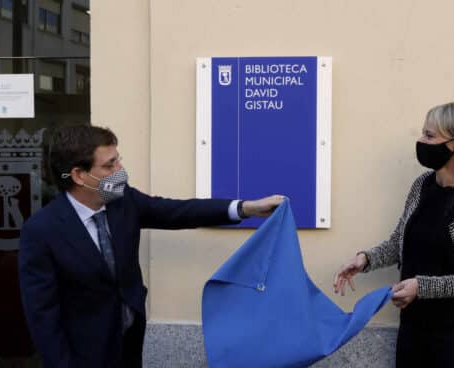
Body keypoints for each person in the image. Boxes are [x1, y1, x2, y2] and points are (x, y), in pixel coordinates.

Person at [18, 125, 283, 368]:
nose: (120, 170)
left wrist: (246, 207)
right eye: (110, 165)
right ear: (79, 175)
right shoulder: (42, 230)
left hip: (129, 345)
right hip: (82, 356)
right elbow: (42, 316)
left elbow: (178, 212)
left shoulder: (121, 200)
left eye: (118, 159)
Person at [333, 102, 454, 367]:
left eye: (430, 136)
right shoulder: (421, 186)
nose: (421, 141)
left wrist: (421, 287)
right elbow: (399, 242)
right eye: (423, 133)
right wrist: (365, 260)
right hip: (414, 330)